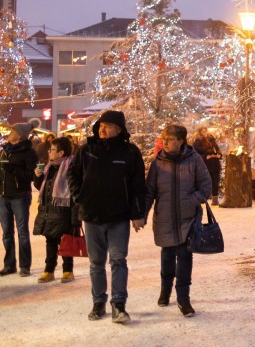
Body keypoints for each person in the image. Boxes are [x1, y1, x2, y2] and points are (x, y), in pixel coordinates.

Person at [68, 110, 145, 324]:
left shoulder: (130, 152)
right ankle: (98, 302)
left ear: (119, 129)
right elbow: (72, 174)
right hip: (92, 215)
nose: (103, 129)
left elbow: (138, 186)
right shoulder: (87, 150)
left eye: (109, 125)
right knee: (96, 263)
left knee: (118, 260)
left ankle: (118, 304)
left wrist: (138, 214)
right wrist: (79, 195)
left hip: (119, 216)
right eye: (101, 125)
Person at [134, 124, 210, 317]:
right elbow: (149, 191)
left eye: (169, 139)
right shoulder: (158, 162)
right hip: (165, 217)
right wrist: (142, 215)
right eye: (164, 139)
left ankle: (183, 298)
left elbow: (206, 187)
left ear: (181, 141)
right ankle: (165, 290)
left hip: (188, 219)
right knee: (167, 255)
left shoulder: (195, 160)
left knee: (185, 257)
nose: (165, 142)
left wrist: (190, 201)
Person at [33, 136, 78, 283]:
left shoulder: (72, 166)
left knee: (66, 241)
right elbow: (42, 188)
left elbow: (75, 192)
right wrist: (38, 177)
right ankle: (49, 270)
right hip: (48, 210)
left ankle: (67, 270)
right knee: (50, 240)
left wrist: (75, 217)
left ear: (61, 152)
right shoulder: (49, 166)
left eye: (52, 150)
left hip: (64, 211)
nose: (49, 152)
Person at [0, 121, 38, 276]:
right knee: (6, 233)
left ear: (20, 135)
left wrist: (13, 169)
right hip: (2, 196)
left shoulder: (29, 153)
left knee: (22, 231)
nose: (10, 133)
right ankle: (9, 265)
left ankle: (25, 266)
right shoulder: (4, 150)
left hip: (19, 196)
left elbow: (31, 176)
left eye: (12, 131)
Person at [192, 127, 221, 206]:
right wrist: (206, 157)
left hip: (215, 164)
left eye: (206, 131)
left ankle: (215, 200)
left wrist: (218, 154)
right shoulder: (197, 142)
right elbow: (195, 155)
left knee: (215, 181)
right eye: (203, 131)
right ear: (200, 132)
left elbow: (217, 150)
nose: (205, 132)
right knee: (205, 182)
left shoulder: (212, 140)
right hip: (205, 165)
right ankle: (202, 198)